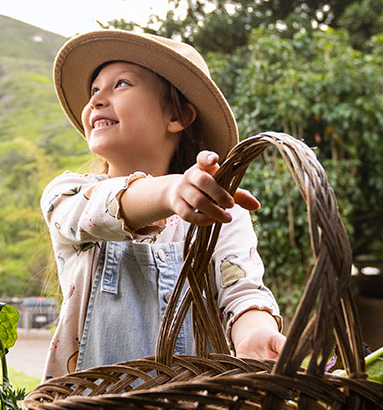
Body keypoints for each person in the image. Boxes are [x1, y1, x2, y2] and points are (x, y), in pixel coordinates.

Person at [39, 29, 286, 377]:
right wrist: (170, 191)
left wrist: (255, 332)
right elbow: (101, 211)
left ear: (177, 117)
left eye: (121, 84)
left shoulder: (220, 210)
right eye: (95, 89)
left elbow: (241, 289)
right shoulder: (67, 195)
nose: (96, 99)